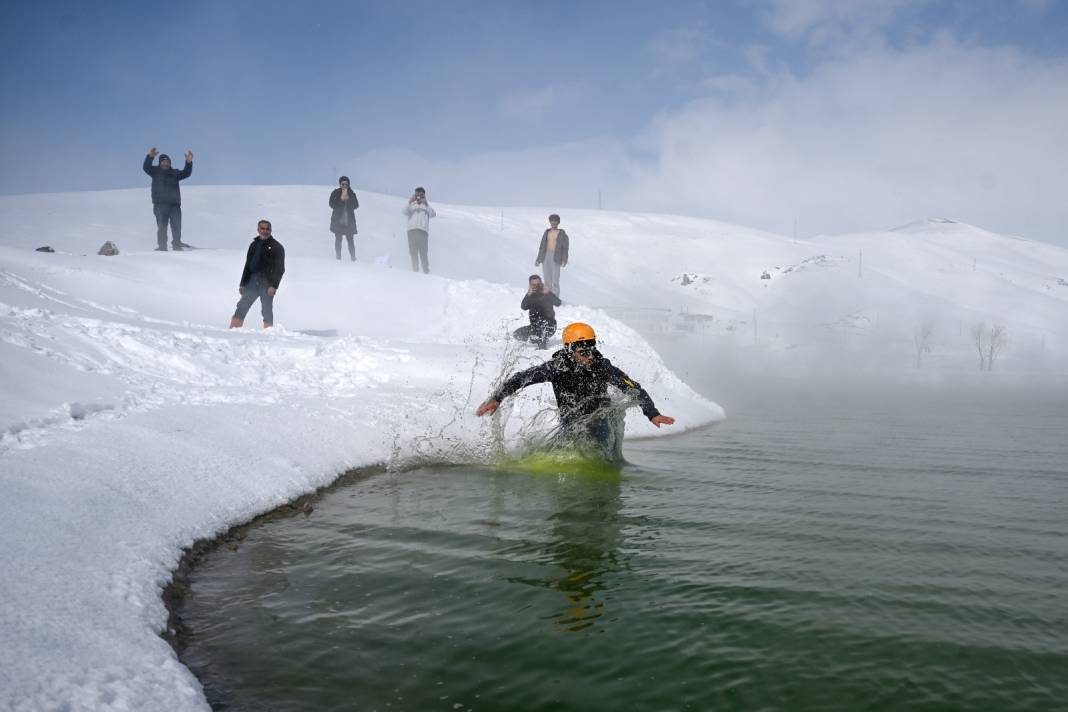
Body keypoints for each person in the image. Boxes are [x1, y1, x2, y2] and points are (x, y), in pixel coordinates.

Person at [476, 323, 675, 456]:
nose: (589, 356)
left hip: (599, 419)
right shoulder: (557, 367)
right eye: (583, 352)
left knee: (598, 446)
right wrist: (497, 398)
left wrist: (652, 414)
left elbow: (635, 389)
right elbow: (521, 378)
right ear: (570, 351)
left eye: (592, 350)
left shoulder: (602, 367)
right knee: (559, 451)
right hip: (570, 422)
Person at [230, 220, 286, 329]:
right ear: (258, 230)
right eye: (262, 228)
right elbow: (247, 265)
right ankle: (233, 330)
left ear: (270, 230)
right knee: (242, 306)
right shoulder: (254, 245)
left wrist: (274, 286)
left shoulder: (277, 247)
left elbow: (280, 269)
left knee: (266, 310)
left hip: (267, 283)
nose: (265, 231)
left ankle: (268, 333)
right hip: (252, 281)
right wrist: (242, 283)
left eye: (267, 229)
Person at [142, 148, 193, 251]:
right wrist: (150, 157)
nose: (165, 163)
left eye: (167, 162)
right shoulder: (154, 171)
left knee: (176, 226)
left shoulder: (174, 173)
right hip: (160, 205)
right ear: (160, 163)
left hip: (174, 205)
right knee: (162, 227)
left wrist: (188, 162)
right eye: (163, 162)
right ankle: (162, 246)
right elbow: (146, 167)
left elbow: (186, 173)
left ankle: (177, 245)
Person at [514, 274, 561, 349]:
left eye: (538, 284)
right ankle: (534, 339)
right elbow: (524, 307)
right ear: (530, 285)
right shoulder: (530, 295)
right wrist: (528, 295)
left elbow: (558, 303)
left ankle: (542, 343)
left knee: (541, 323)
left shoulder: (546, 292)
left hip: (549, 325)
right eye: (534, 285)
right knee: (517, 334)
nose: (536, 286)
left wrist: (549, 293)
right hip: (535, 327)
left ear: (541, 283)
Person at [402, 186, 436, 273]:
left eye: (421, 194)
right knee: (413, 253)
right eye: (417, 194)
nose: (419, 196)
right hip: (412, 231)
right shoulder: (411, 205)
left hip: (422, 232)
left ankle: (426, 272)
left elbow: (433, 214)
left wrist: (426, 204)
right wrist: (410, 201)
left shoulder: (426, 206)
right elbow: (404, 211)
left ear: (424, 195)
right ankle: (415, 272)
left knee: (423, 254)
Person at [535, 214, 569, 296]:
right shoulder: (547, 232)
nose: (553, 222)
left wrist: (564, 259)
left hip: (556, 257)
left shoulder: (562, 234)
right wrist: (538, 259)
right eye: (552, 221)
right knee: (547, 278)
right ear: (550, 222)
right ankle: (547, 296)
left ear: (558, 222)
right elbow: (542, 246)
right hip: (546, 256)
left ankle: (555, 297)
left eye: (555, 221)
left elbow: (565, 248)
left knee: (555, 279)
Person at [329, 176, 359, 261]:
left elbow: (356, 205)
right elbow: (331, 204)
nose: (345, 185)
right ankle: (338, 257)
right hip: (338, 221)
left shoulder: (351, 194)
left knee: (350, 240)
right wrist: (341, 200)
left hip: (349, 222)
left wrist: (348, 200)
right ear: (340, 184)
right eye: (343, 184)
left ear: (349, 185)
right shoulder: (335, 193)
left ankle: (353, 258)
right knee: (338, 239)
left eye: (346, 184)